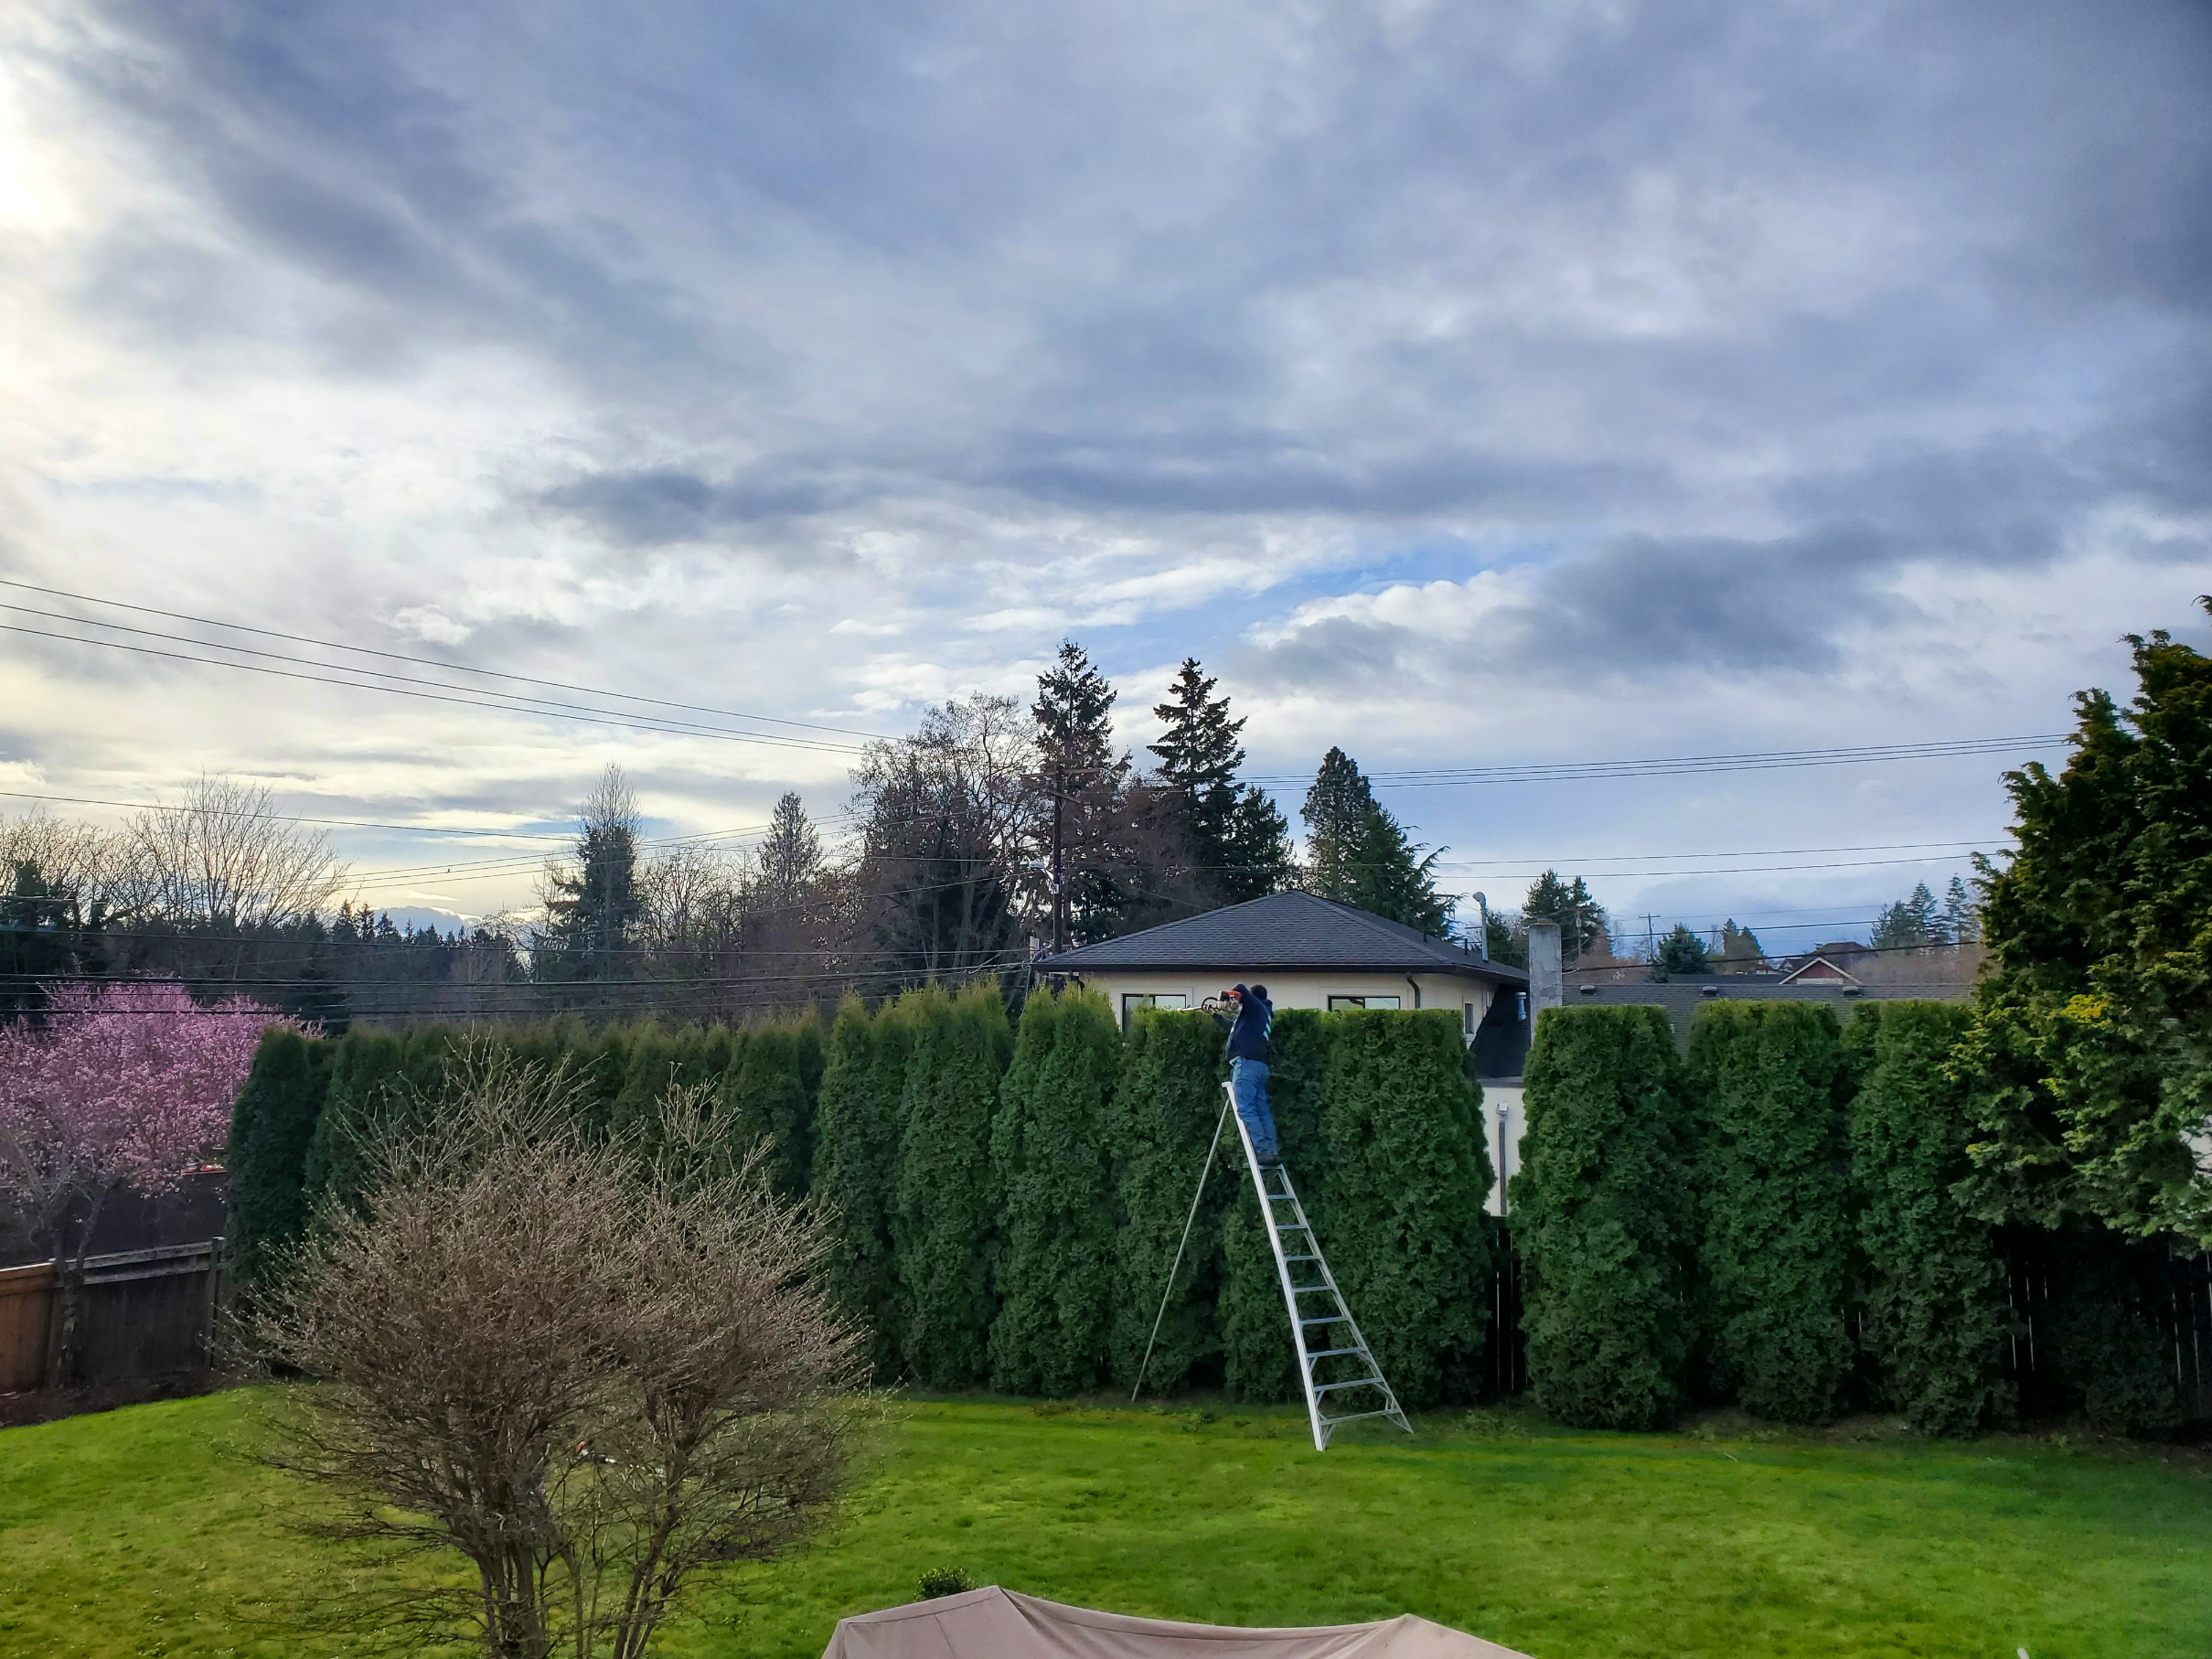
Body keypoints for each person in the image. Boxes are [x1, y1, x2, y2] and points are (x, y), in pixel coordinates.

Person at [1220, 982, 1279, 1165]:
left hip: (1246, 1065)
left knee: (1246, 1109)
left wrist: (1227, 997)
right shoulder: (1260, 1015)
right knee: (1262, 1111)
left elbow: (1242, 988)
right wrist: (1215, 1015)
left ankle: (1262, 1151)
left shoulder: (1256, 1007)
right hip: (1259, 1067)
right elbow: (1234, 1027)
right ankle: (1271, 1151)